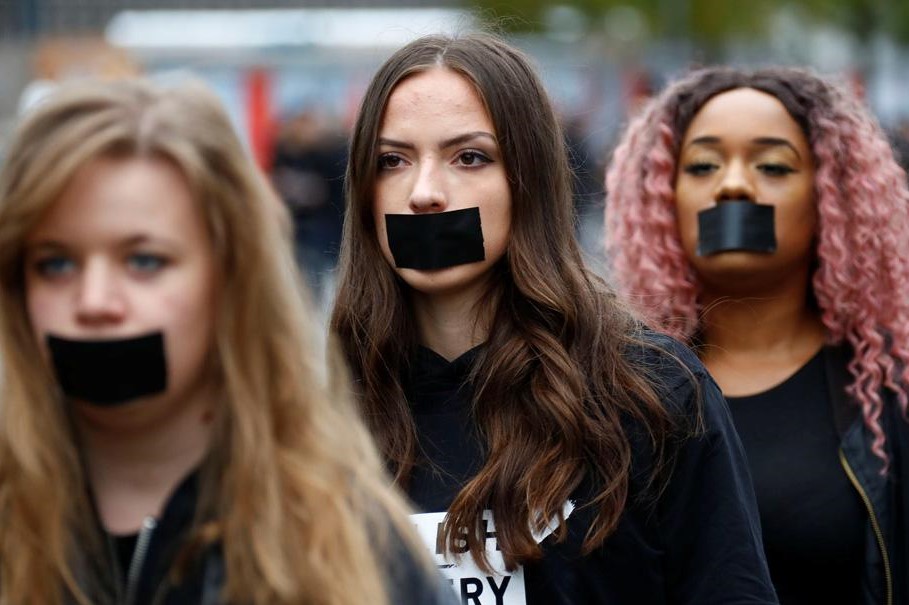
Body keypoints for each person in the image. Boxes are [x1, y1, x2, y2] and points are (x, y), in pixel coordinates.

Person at [331, 33, 777, 605]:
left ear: (528, 180)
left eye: (469, 157)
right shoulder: (313, 411)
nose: (424, 193)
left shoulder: (651, 394)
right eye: (392, 161)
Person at [0, 79, 456, 605]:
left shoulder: (361, 549)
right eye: (56, 264)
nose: (95, 301)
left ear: (230, 278)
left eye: (144, 261)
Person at [605, 66, 909, 605]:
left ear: (831, 196)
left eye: (771, 165)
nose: (735, 185)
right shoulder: (611, 386)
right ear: (661, 198)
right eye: (702, 165)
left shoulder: (892, 386)